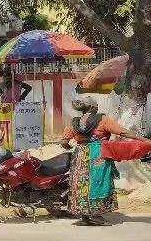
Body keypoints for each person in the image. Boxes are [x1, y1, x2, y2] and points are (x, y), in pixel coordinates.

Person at [60, 95, 150, 226]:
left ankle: (85, 216)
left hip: (79, 154)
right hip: (98, 153)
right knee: (99, 182)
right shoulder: (102, 119)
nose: (97, 106)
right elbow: (123, 132)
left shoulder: (74, 122)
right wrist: (144, 140)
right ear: (91, 107)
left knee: (81, 184)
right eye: (96, 105)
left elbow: (64, 142)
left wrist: (70, 147)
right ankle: (96, 215)